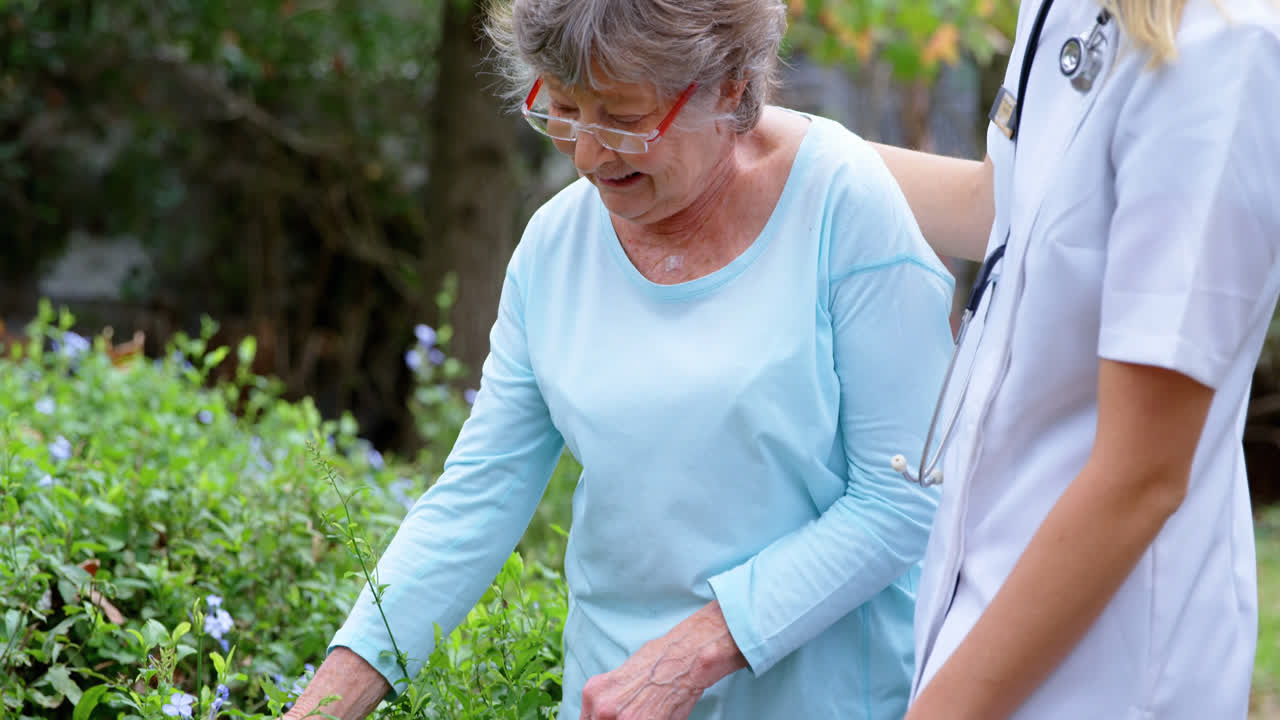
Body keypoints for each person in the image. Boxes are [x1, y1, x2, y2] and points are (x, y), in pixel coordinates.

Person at [283, 1, 956, 719]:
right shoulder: (555, 248)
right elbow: (473, 503)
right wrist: (322, 709)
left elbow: (903, 500)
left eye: (624, 118)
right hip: (610, 703)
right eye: (565, 110)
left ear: (728, 86)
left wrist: (698, 649)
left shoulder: (843, 207)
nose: (586, 154)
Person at [870, 0, 1280, 717]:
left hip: (1106, 675)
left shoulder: (1226, 48)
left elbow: (1141, 477)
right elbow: (998, 207)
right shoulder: (1062, 8)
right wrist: (793, 148)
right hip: (987, 620)